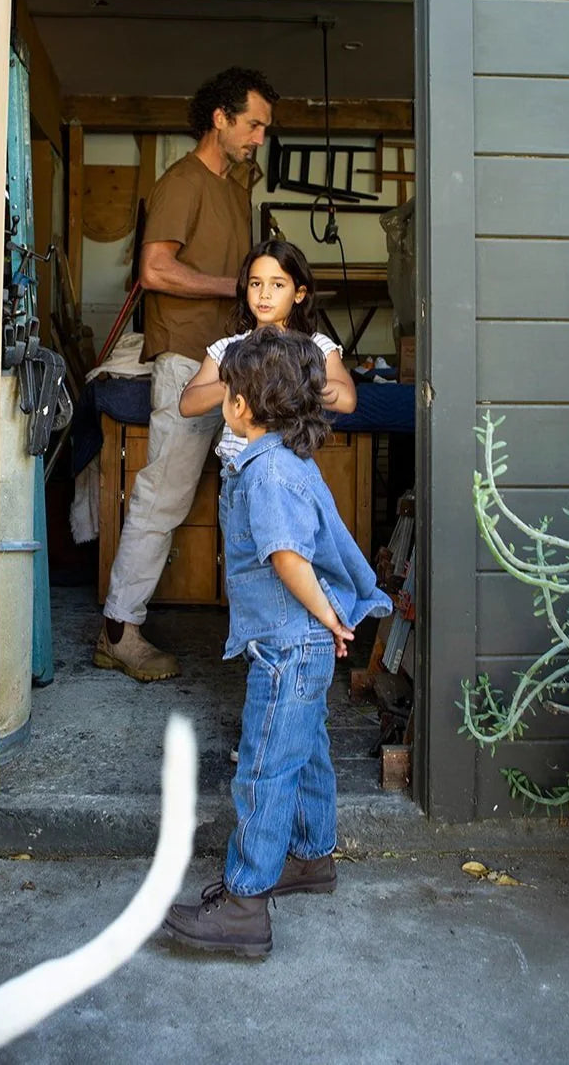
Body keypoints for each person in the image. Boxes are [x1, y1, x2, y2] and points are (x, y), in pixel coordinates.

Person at [162, 328, 390, 957]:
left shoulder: (265, 475)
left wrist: (328, 618)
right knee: (308, 751)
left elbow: (289, 559)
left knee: (264, 768)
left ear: (240, 408)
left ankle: (245, 902)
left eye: (231, 391)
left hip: (290, 647)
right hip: (301, 643)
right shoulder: (290, 462)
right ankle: (312, 858)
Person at [94, 67, 279, 682]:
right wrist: (237, 286)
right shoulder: (182, 181)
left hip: (235, 362)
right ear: (219, 119)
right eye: (252, 124)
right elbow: (154, 270)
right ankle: (119, 630)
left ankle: (266, 632)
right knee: (163, 496)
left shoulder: (236, 186)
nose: (259, 136)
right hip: (185, 362)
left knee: (256, 495)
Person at [179, 238, 357, 461]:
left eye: (278, 285)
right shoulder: (228, 349)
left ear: (299, 294)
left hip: (288, 469)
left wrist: (288, 374)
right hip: (237, 472)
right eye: (256, 284)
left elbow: (347, 400)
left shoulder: (316, 346)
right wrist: (239, 378)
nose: (264, 294)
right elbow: (188, 404)